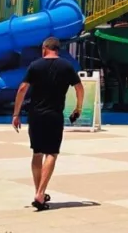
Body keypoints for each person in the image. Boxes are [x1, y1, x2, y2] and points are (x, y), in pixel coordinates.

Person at [12, 37, 84, 211]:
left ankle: (39, 193)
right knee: (51, 153)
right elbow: (79, 88)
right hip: (54, 115)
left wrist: (16, 114)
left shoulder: (35, 65)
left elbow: (22, 89)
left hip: (35, 115)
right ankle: (40, 193)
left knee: (37, 153)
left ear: (44, 48)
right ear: (57, 49)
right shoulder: (66, 66)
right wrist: (78, 108)